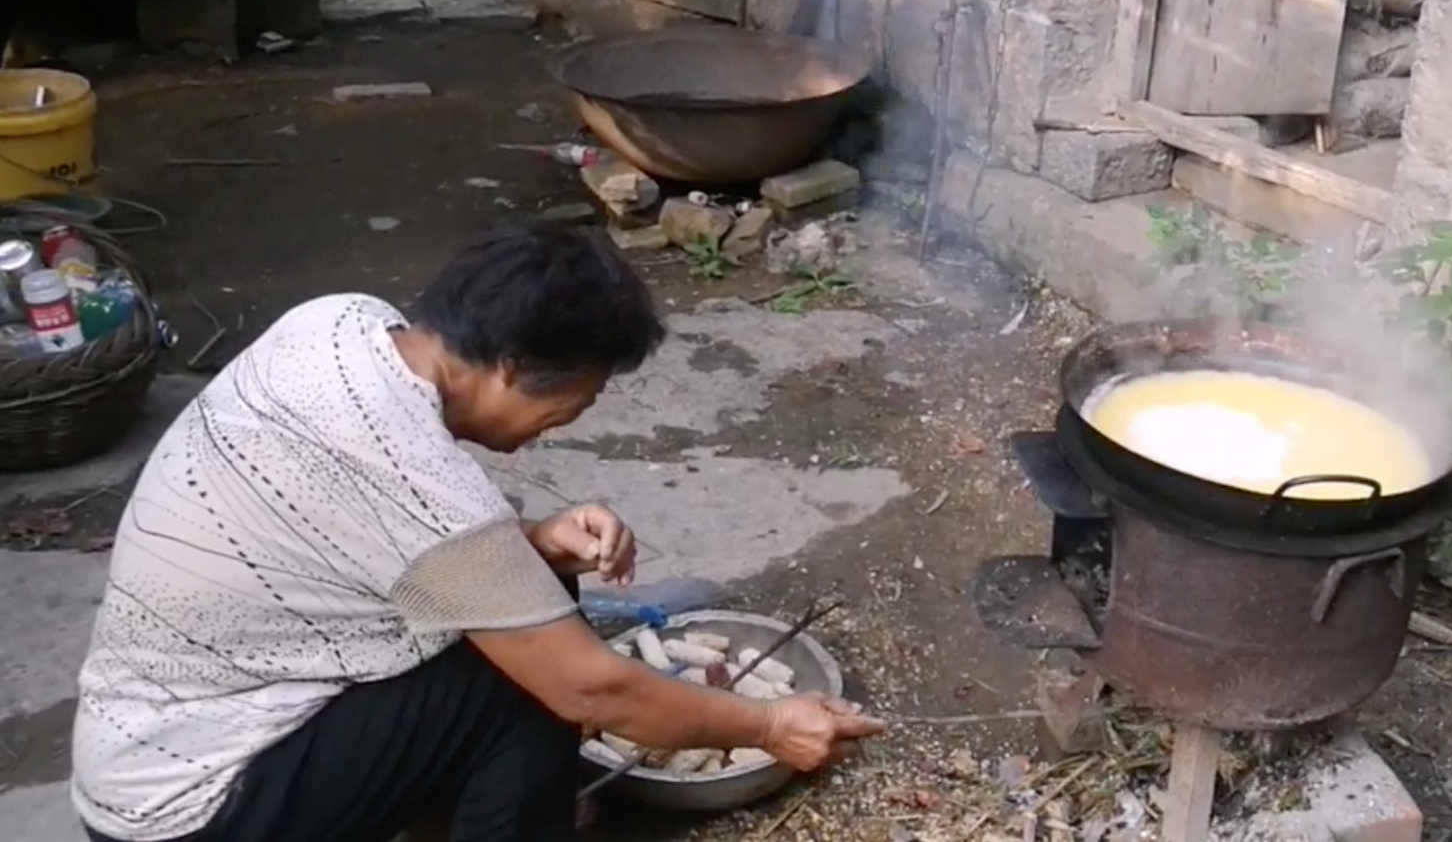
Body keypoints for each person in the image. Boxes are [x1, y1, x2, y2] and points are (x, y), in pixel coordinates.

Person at [71, 220, 885, 842]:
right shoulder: (411, 468)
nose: (566, 421)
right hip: (190, 806)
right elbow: (588, 687)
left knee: (538, 596)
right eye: (576, 399)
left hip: (149, 736)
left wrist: (526, 544)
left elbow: (358, 538)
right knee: (527, 685)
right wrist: (773, 724)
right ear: (504, 365)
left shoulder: (341, 325)